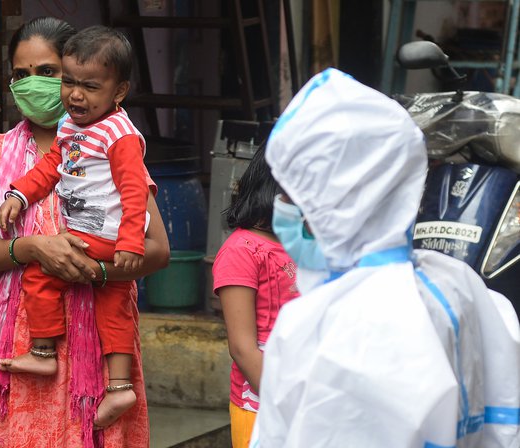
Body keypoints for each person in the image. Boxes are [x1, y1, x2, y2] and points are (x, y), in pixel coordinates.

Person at [251, 68, 520, 447]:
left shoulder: (334, 326)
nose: (283, 208)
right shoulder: (459, 283)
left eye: (295, 195)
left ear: (336, 201)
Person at [0, 17, 169, 448]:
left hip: (102, 343)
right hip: (23, 343)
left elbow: (157, 249)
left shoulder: (110, 146)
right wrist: (34, 247)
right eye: (21, 75)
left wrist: (96, 270)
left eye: (47, 73)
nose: (35, 84)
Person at [0, 24, 147, 427]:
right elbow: (51, 168)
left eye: (90, 86)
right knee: (114, 310)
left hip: (102, 236)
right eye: (69, 82)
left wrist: (130, 243)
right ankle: (120, 388)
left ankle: (44, 352)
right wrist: (19, 195)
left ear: (119, 92)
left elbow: (134, 192)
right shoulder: (72, 128)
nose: (75, 94)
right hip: (101, 241)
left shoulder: (119, 134)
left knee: (40, 276)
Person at [212, 144, 301, 448]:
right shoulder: (243, 250)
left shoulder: (302, 245)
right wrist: (287, 405)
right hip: (263, 406)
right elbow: (242, 347)